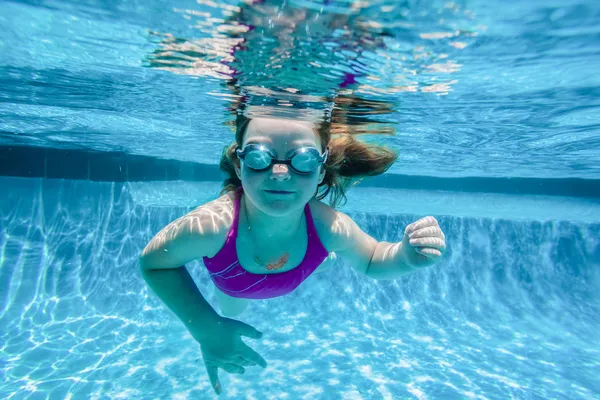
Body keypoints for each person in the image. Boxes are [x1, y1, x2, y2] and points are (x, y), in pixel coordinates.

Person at [139, 112, 447, 395]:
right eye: (259, 156)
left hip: (299, 264)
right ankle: (322, 259)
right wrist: (207, 328)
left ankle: (322, 259)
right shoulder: (211, 227)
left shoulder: (329, 226)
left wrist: (405, 255)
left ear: (321, 169)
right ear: (239, 164)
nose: (281, 173)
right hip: (235, 284)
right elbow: (154, 264)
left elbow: (372, 258)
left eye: (303, 160)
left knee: (323, 253)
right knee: (232, 313)